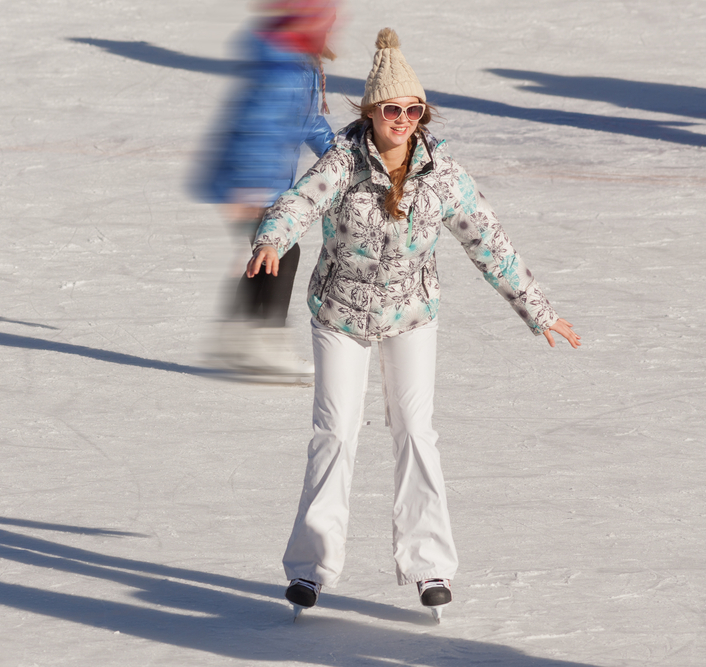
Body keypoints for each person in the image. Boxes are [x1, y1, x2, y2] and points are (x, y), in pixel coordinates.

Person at [246, 28, 581, 619]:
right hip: (341, 313)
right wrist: (273, 238)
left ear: (422, 113)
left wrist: (539, 310)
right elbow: (296, 203)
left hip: (411, 317)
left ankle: (430, 566)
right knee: (336, 433)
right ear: (371, 111)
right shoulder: (343, 162)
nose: (402, 118)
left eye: (412, 109)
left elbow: (489, 242)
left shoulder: (442, 174)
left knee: (416, 432)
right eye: (391, 109)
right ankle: (310, 569)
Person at [193, 0, 338, 382]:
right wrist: (251, 187)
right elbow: (257, 126)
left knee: (269, 253)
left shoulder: (297, 63)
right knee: (282, 252)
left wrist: (341, 153)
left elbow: (307, 120)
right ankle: (264, 339)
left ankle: (239, 333)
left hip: (263, 181)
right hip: (253, 181)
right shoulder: (282, 66)